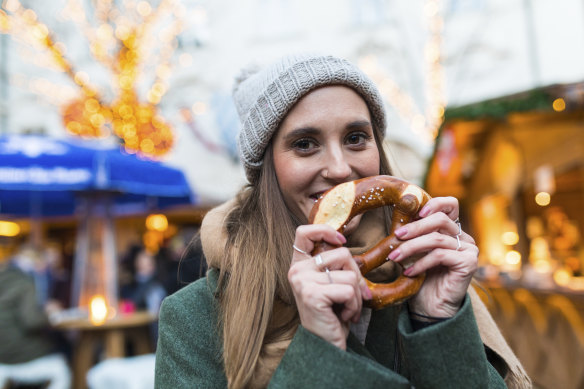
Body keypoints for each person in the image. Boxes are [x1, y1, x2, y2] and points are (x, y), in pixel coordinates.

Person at [155, 54, 531, 388]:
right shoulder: (193, 319)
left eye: (356, 138)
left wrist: (437, 321)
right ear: (266, 171)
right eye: (305, 144)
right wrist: (319, 349)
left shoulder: (422, 273)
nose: (339, 168)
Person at [0, 248, 71, 389]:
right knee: (62, 359)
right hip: (17, 354)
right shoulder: (25, 282)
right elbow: (31, 321)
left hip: (2, 353)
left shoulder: (5, 278)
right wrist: (48, 313)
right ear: (36, 263)